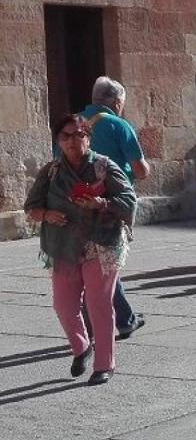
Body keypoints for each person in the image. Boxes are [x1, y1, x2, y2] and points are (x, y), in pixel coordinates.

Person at [24, 114, 137, 386]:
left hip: (101, 242)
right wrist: (47, 214)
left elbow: (129, 199)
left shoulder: (103, 167)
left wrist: (101, 203)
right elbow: (31, 207)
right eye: (66, 136)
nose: (74, 141)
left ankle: (104, 364)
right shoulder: (51, 171)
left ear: (88, 137)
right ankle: (82, 347)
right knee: (63, 305)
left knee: (98, 302)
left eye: (79, 134)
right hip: (63, 246)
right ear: (58, 141)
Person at [76, 76, 148, 339]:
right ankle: (103, 325)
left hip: (77, 203)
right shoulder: (119, 125)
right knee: (107, 262)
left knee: (93, 262)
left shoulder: (73, 125)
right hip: (111, 206)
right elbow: (140, 171)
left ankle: (122, 319)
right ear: (117, 102)